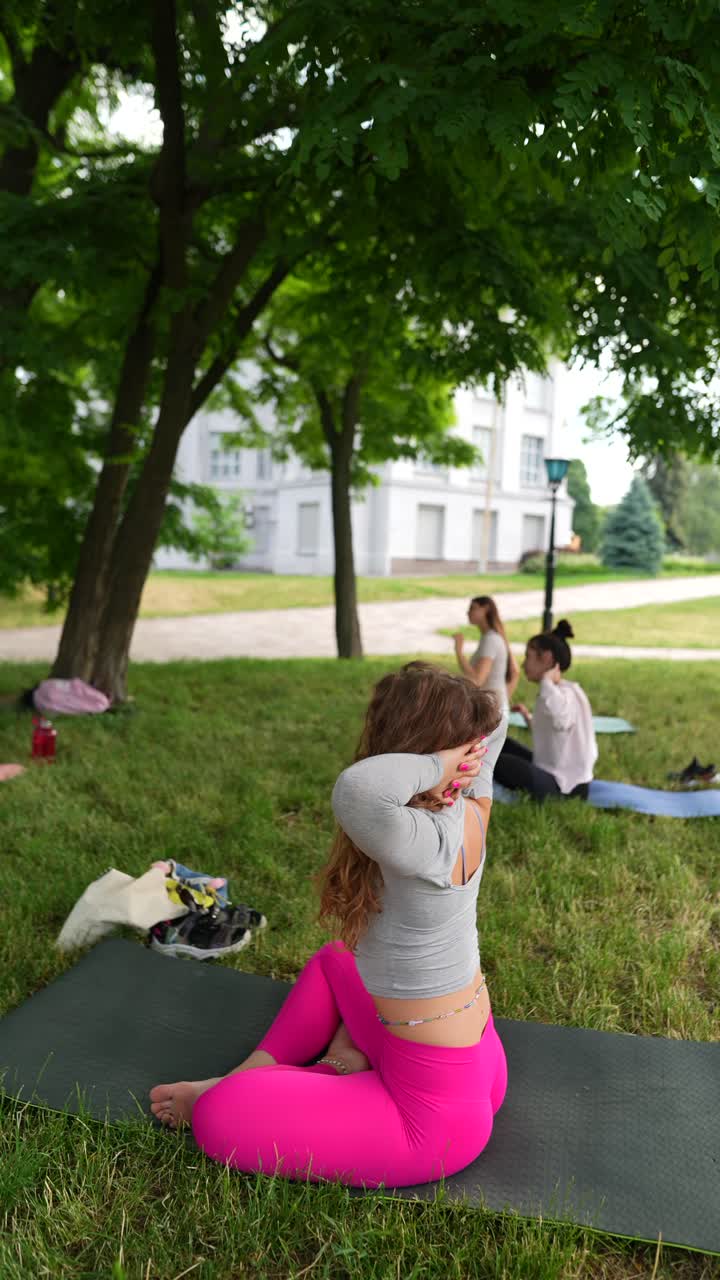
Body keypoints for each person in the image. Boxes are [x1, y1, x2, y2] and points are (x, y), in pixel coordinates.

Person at [150, 663, 508, 1188]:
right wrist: (464, 753)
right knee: (336, 960)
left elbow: (356, 790)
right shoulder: (473, 808)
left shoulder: (427, 837)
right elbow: (495, 721)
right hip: (471, 1058)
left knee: (218, 1116)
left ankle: (319, 1071)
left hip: (430, 1120)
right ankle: (287, 1067)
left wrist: (435, 762)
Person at [495, 620, 597, 802]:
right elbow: (556, 731)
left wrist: (546, 682)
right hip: (550, 770)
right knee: (501, 743)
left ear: (547, 658)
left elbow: (561, 719)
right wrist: (529, 718)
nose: (524, 664)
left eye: (528, 657)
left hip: (565, 787)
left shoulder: (566, 693)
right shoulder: (556, 693)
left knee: (498, 761)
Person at [453, 595, 519, 713]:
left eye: (473, 608)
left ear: (486, 609)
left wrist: (459, 651)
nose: (468, 612)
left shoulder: (491, 639)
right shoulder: (489, 637)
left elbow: (477, 680)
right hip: (491, 708)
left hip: (492, 710)